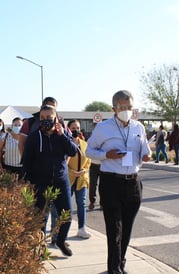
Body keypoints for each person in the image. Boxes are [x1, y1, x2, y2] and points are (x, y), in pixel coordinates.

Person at [85, 90, 151, 274]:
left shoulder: (138, 127)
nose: (127, 110)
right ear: (114, 108)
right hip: (111, 182)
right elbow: (88, 152)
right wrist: (106, 155)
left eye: (129, 107)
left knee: (127, 228)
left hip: (133, 183)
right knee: (115, 229)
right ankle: (113, 269)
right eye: (122, 107)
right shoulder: (103, 128)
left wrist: (147, 155)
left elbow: (145, 149)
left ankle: (121, 262)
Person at [22, 105, 78, 257]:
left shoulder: (62, 135)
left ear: (56, 119)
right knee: (40, 217)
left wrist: (62, 135)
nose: (45, 121)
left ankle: (60, 240)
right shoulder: (34, 137)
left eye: (49, 118)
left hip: (61, 181)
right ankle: (40, 247)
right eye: (42, 118)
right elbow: (27, 161)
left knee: (66, 214)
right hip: (40, 182)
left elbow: (73, 151)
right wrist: (27, 181)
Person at [67, 119, 92, 239]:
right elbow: (62, 161)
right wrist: (71, 172)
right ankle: (63, 230)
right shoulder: (65, 143)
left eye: (77, 128)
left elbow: (89, 161)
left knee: (81, 203)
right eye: (73, 128)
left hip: (82, 178)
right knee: (66, 205)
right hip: (69, 178)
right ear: (68, 129)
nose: (76, 130)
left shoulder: (84, 144)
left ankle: (82, 228)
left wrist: (84, 171)